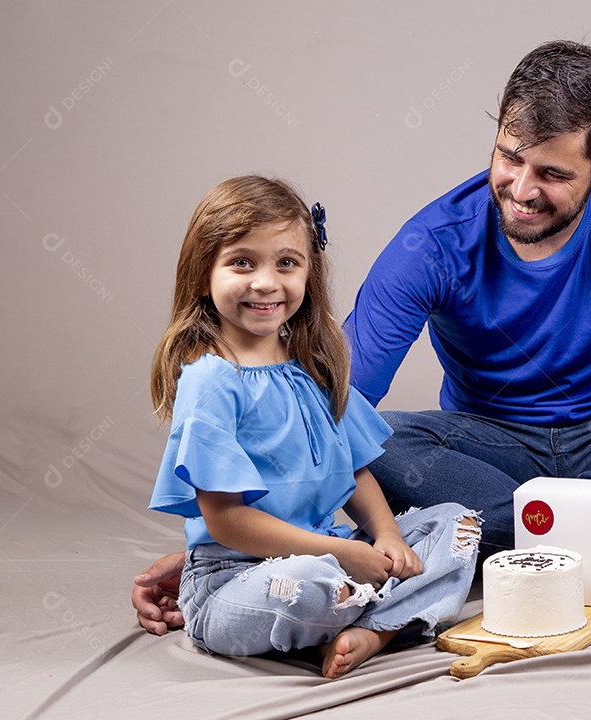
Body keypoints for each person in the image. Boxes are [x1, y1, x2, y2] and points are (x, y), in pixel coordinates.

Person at [134, 40, 591, 635]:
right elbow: (330, 397)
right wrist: (227, 547)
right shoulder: (434, 241)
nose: (521, 189)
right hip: (487, 450)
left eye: (553, 174)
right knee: (379, 441)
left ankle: (534, 537)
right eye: (509, 158)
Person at [144, 175, 480, 678]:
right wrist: (343, 554)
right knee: (307, 584)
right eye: (242, 262)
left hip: (331, 551)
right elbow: (225, 521)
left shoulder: (313, 366)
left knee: (456, 524)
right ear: (203, 272)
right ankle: (389, 613)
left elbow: (355, 471)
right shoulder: (211, 379)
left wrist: (385, 534)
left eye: (286, 263)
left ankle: (374, 629)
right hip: (234, 579)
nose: (265, 282)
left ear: (309, 272)